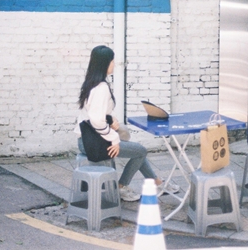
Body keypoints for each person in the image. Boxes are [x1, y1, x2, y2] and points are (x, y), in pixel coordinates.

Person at [75, 45, 179, 202]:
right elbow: (96, 120)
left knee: (136, 151)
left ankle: (157, 182)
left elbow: (94, 114)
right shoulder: (101, 87)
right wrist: (114, 139)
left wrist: (111, 120)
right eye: (112, 61)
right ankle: (121, 186)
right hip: (94, 143)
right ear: (105, 63)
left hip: (87, 140)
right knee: (141, 151)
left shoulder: (90, 83)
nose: (114, 64)